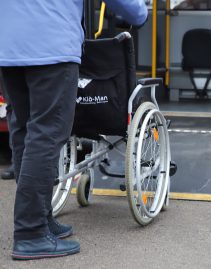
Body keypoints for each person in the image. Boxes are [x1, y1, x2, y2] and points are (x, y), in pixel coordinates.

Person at [0, 0, 147, 260]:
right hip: (50, 46)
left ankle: (41, 217)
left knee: (25, 133)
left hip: (8, 47)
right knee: (46, 135)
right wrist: (139, 14)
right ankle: (31, 233)